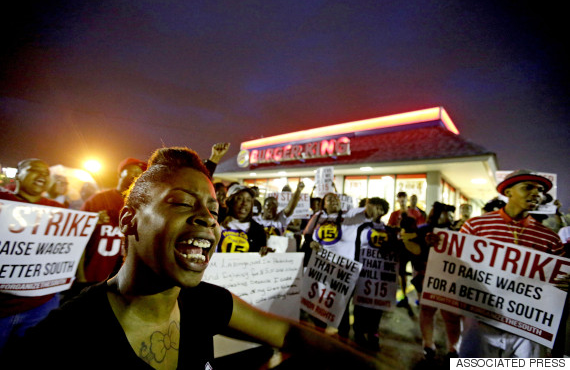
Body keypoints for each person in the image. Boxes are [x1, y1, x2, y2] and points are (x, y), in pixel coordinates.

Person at [2, 147, 389, 370]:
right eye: (182, 203)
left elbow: (290, 334)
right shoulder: (61, 341)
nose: (207, 218)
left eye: (213, 210)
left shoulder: (206, 302)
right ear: (129, 220)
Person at [459, 169, 566, 358]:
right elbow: (456, 265)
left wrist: (564, 283)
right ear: (508, 192)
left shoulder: (550, 237)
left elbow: (560, 278)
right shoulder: (475, 226)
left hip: (529, 324)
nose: (537, 193)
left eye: (540, 190)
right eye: (528, 188)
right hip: (482, 320)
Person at [0, 159, 64, 354]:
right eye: (35, 170)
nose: (43, 176)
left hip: (41, 304)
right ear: (18, 174)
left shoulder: (58, 210)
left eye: (46, 173)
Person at [70, 157, 147, 300]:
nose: (136, 176)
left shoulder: (143, 205)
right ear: (119, 174)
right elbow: (76, 237)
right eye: (132, 171)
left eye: (140, 173)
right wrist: (81, 277)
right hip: (94, 275)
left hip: (126, 280)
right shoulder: (97, 200)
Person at [302, 192, 370, 338]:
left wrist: (371, 205)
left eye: (335, 199)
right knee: (320, 299)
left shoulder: (349, 215)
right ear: (324, 204)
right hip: (321, 266)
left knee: (340, 302)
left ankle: (343, 334)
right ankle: (320, 330)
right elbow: (307, 235)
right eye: (329, 200)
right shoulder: (318, 216)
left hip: (342, 268)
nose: (333, 202)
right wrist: (311, 243)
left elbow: (366, 213)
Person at [414, 202, 462, 360]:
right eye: (446, 213)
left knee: (451, 315)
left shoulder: (458, 232)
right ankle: (428, 344)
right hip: (426, 276)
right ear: (436, 214)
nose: (450, 217)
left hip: (449, 279)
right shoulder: (422, 231)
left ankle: (453, 348)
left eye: (451, 214)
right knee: (427, 310)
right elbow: (414, 252)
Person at [353, 197, 400, 350]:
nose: (374, 209)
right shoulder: (359, 226)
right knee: (360, 304)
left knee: (376, 305)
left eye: (378, 208)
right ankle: (358, 332)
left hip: (380, 273)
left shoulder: (388, 230)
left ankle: (374, 332)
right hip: (362, 271)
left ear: (383, 211)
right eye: (371, 206)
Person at [218, 184, 269, 254]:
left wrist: (264, 252)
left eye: (248, 200)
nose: (244, 203)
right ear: (230, 201)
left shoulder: (258, 230)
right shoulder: (217, 221)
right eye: (239, 198)